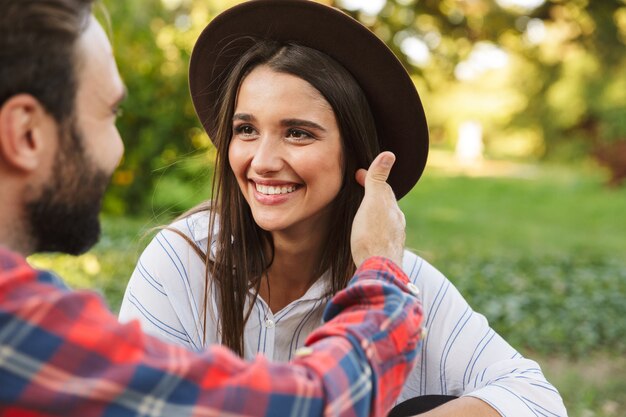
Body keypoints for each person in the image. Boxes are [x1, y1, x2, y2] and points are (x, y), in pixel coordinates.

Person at [119, 1, 569, 417]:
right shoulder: (182, 262)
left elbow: (536, 399)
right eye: (247, 129)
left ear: (355, 155)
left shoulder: (394, 275)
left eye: (297, 133)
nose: (264, 161)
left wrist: (377, 269)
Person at [0, 0, 426, 416]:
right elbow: (307, 405)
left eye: (297, 132)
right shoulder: (17, 329)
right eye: (110, 114)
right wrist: (381, 278)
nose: (118, 149)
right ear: (26, 135)